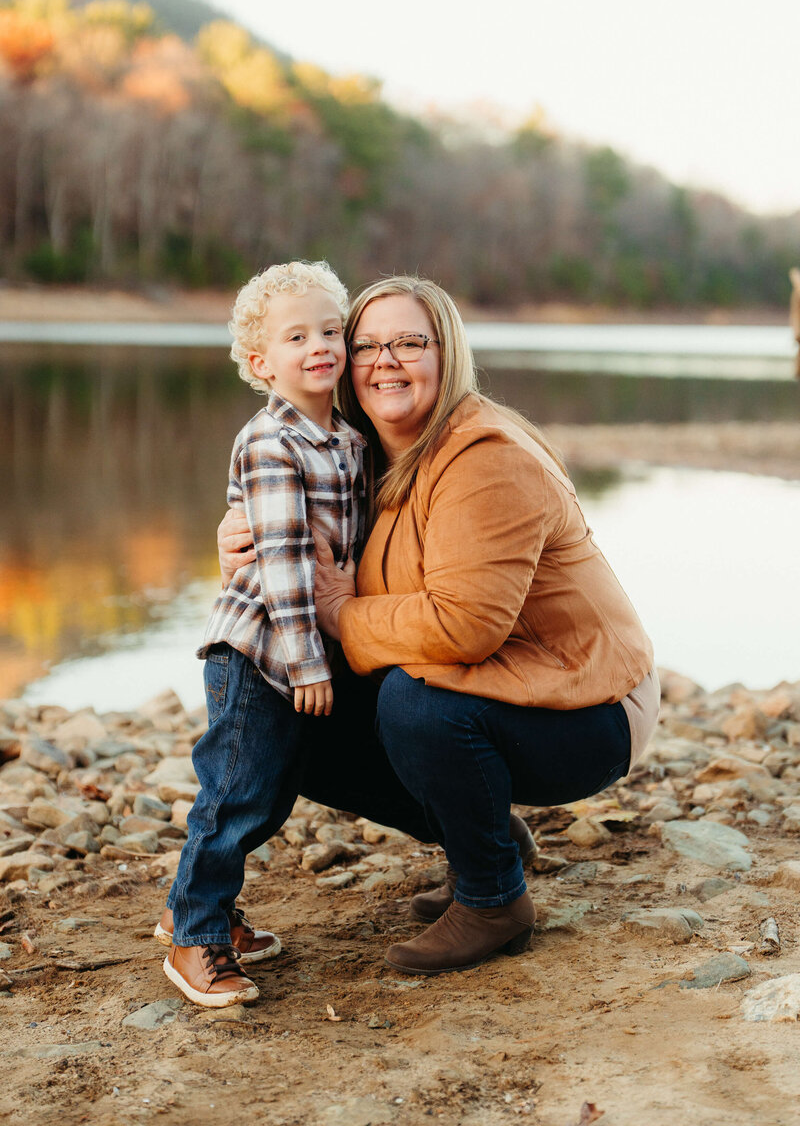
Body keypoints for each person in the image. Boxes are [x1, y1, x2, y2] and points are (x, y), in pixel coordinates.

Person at [218, 275, 660, 978]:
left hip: (589, 710)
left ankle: (493, 900)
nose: (384, 361)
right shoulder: (367, 448)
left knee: (415, 705)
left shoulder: (485, 457)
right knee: (296, 710)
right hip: (501, 680)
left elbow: (465, 628)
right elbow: (299, 528)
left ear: (446, 353)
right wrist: (239, 537)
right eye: (366, 344)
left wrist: (337, 612)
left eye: (408, 343)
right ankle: (487, 841)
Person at [159, 260, 366, 1007]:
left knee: (271, 795)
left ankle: (199, 903)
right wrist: (310, 664)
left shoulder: (344, 436)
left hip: (298, 646)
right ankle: (195, 936)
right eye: (296, 335)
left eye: (331, 329)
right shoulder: (271, 441)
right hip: (257, 648)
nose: (321, 345)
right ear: (260, 361)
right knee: (236, 792)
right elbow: (281, 564)